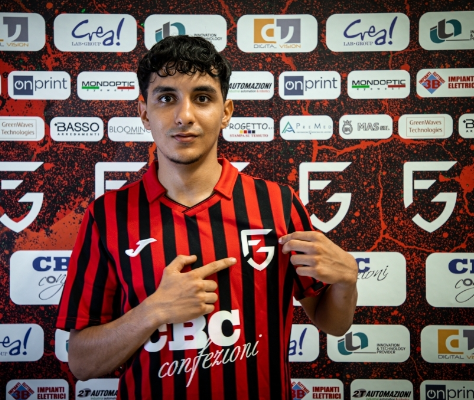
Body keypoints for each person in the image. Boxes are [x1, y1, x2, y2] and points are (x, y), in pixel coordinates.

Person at [56, 35, 358, 400]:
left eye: (202, 98)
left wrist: (346, 283)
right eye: (166, 98)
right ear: (144, 112)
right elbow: (82, 363)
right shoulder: (108, 215)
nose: (184, 116)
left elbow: (332, 324)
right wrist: (153, 311)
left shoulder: (278, 204)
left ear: (225, 111)